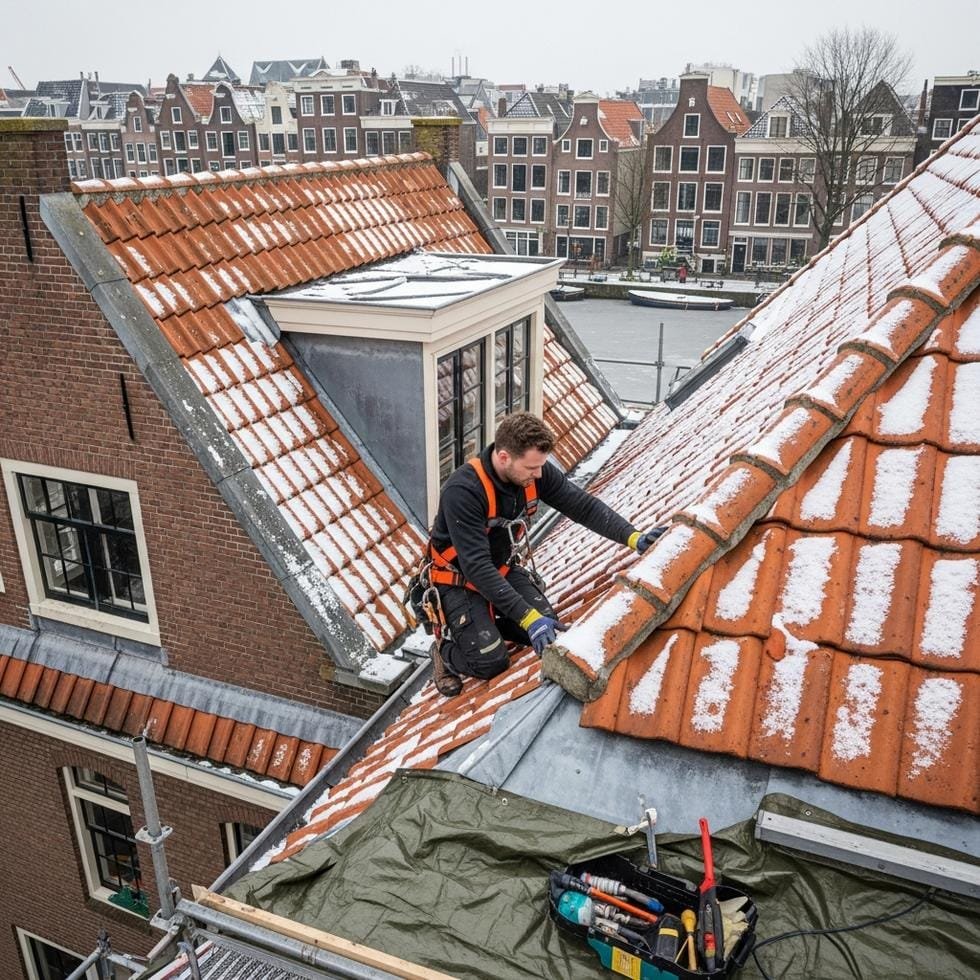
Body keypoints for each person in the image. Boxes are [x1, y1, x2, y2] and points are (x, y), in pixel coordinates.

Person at [425, 412, 665, 697]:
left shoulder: (534, 474)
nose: (538, 475)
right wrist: (528, 618)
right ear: (504, 457)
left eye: (540, 466)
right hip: (459, 580)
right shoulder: (463, 491)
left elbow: (582, 506)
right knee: (491, 661)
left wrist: (633, 537)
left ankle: (486, 627)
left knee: (549, 622)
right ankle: (444, 651)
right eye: (531, 468)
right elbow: (476, 567)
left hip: (500, 569)